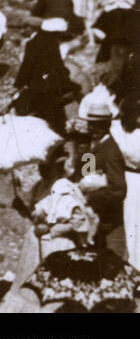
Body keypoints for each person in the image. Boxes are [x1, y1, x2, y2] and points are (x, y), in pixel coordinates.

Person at [72, 93, 127, 248]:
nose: (93, 129)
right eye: (91, 124)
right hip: (89, 216)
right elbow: (85, 173)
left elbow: (118, 189)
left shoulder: (111, 150)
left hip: (106, 219)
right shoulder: (93, 147)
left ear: (107, 125)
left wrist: (91, 197)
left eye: (98, 125)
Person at [14, 18, 78, 134]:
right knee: (54, 115)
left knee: (42, 115)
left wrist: (19, 83)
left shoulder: (32, 43)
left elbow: (27, 66)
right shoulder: (51, 42)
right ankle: (59, 135)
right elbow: (58, 65)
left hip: (38, 86)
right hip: (51, 86)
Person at [111, 99, 140, 268]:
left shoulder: (117, 132)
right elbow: (90, 158)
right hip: (130, 181)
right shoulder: (121, 133)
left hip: (128, 178)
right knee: (133, 225)